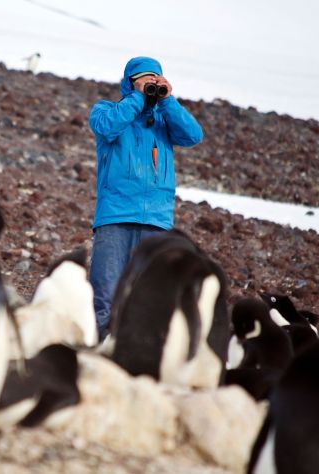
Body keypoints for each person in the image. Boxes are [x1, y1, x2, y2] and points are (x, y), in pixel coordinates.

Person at [88, 56, 203, 340]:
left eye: (155, 79)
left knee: (151, 298)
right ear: (129, 82)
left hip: (157, 220)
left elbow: (193, 135)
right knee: (105, 295)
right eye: (144, 79)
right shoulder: (107, 110)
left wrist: (168, 100)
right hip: (115, 216)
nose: (150, 84)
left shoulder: (164, 120)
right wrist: (137, 98)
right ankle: (99, 354)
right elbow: (106, 127)